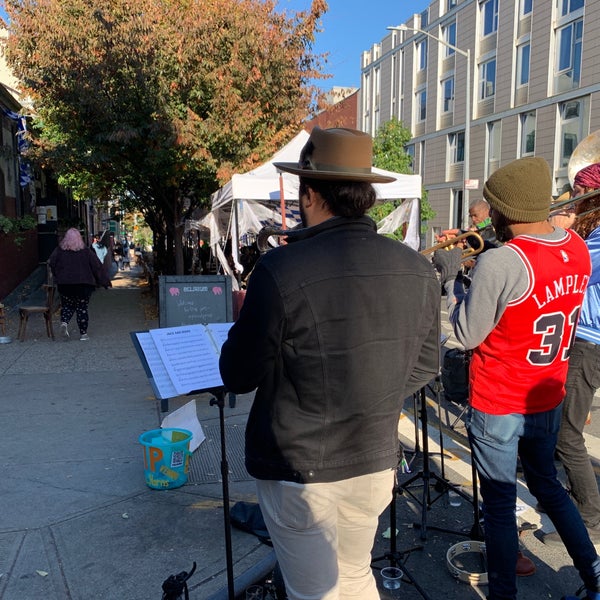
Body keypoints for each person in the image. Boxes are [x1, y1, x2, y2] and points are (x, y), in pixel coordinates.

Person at [219, 127, 441, 600]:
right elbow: (424, 367)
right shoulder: (419, 269)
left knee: (313, 591)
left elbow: (237, 374)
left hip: (302, 470)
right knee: (356, 574)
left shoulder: (281, 269)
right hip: (374, 460)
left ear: (311, 194)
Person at [433, 156, 600, 600]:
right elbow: (527, 286)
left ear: (504, 212)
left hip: (499, 399)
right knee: (548, 484)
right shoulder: (578, 248)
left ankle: (503, 594)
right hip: (546, 394)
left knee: (501, 506)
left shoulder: (501, 263)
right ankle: (594, 573)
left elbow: (468, 333)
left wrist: (454, 280)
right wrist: (485, 261)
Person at [542, 162, 600, 547]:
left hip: (587, 342)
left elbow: (575, 268)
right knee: (563, 426)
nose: (573, 200)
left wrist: (557, 231)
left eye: (580, 193)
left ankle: (589, 518)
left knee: (567, 434)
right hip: (579, 340)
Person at [48, 227, 112, 341]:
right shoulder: (86, 251)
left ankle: (64, 322)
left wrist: (58, 275)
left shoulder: (59, 251)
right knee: (82, 308)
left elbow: (51, 263)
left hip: (65, 284)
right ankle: (83, 334)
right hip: (84, 284)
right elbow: (97, 266)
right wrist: (104, 281)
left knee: (67, 305)